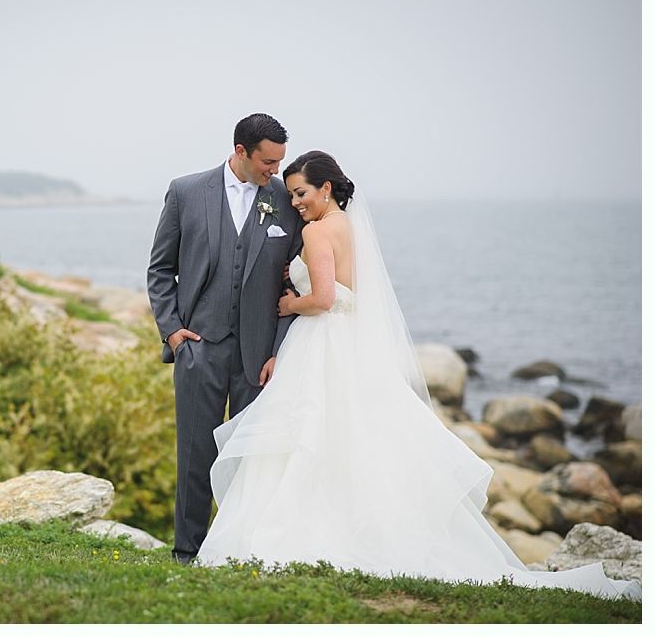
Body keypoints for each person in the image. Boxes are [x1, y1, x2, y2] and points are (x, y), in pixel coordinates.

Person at [195, 150, 641, 600]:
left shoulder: (314, 232)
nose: (295, 203)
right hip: (345, 342)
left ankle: (299, 532)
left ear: (325, 188)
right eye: (291, 195)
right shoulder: (347, 226)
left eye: (301, 193)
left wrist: (291, 304)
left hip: (321, 341)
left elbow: (326, 298)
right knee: (351, 438)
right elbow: (351, 294)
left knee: (310, 435)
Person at [147, 113, 305, 564]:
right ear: (241, 152)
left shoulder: (282, 199)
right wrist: (174, 332)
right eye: (268, 161)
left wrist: (280, 348)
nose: (275, 170)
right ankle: (187, 552)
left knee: (250, 460)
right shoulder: (186, 192)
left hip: (259, 355)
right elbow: (160, 269)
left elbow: (292, 278)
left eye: (280, 161)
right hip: (199, 347)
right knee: (196, 454)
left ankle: (238, 550)